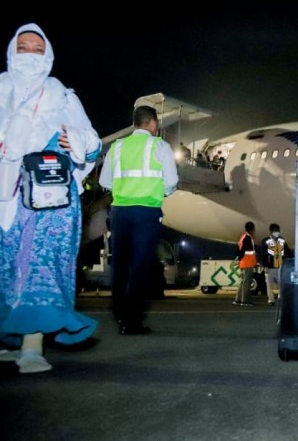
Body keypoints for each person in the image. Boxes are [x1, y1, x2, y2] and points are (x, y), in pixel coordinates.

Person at [0, 24, 103, 372]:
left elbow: (93, 144)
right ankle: (9, 342)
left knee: (39, 267)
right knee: (6, 269)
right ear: (13, 51)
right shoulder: (0, 91)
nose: (30, 54)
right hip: (5, 196)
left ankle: (32, 346)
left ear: (48, 56)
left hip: (49, 201)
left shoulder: (62, 97)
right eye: (23, 46)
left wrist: (77, 140)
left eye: (37, 48)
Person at [100, 104, 178, 335]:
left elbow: (105, 182)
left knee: (120, 264)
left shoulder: (117, 146)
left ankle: (119, 313)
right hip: (146, 211)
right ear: (152, 123)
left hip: (120, 211)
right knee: (140, 266)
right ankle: (132, 321)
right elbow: (171, 180)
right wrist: (162, 192)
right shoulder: (160, 146)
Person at [262, 223, 291, 306]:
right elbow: (263, 254)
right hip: (270, 267)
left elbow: (288, 252)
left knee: (281, 283)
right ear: (270, 232)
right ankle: (271, 299)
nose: (277, 232)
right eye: (275, 231)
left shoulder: (282, 241)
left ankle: (281, 297)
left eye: (278, 231)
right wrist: (265, 266)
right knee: (269, 284)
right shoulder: (266, 241)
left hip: (280, 266)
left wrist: (292, 260)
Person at [233, 221, 257, 306]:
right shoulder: (248, 237)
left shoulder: (243, 237)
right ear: (252, 229)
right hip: (248, 263)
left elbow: (239, 250)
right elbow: (244, 250)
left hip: (244, 263)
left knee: (242, 281)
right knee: (247, 282)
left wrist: (238, 259)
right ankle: (245, 300)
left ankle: (238, 299)